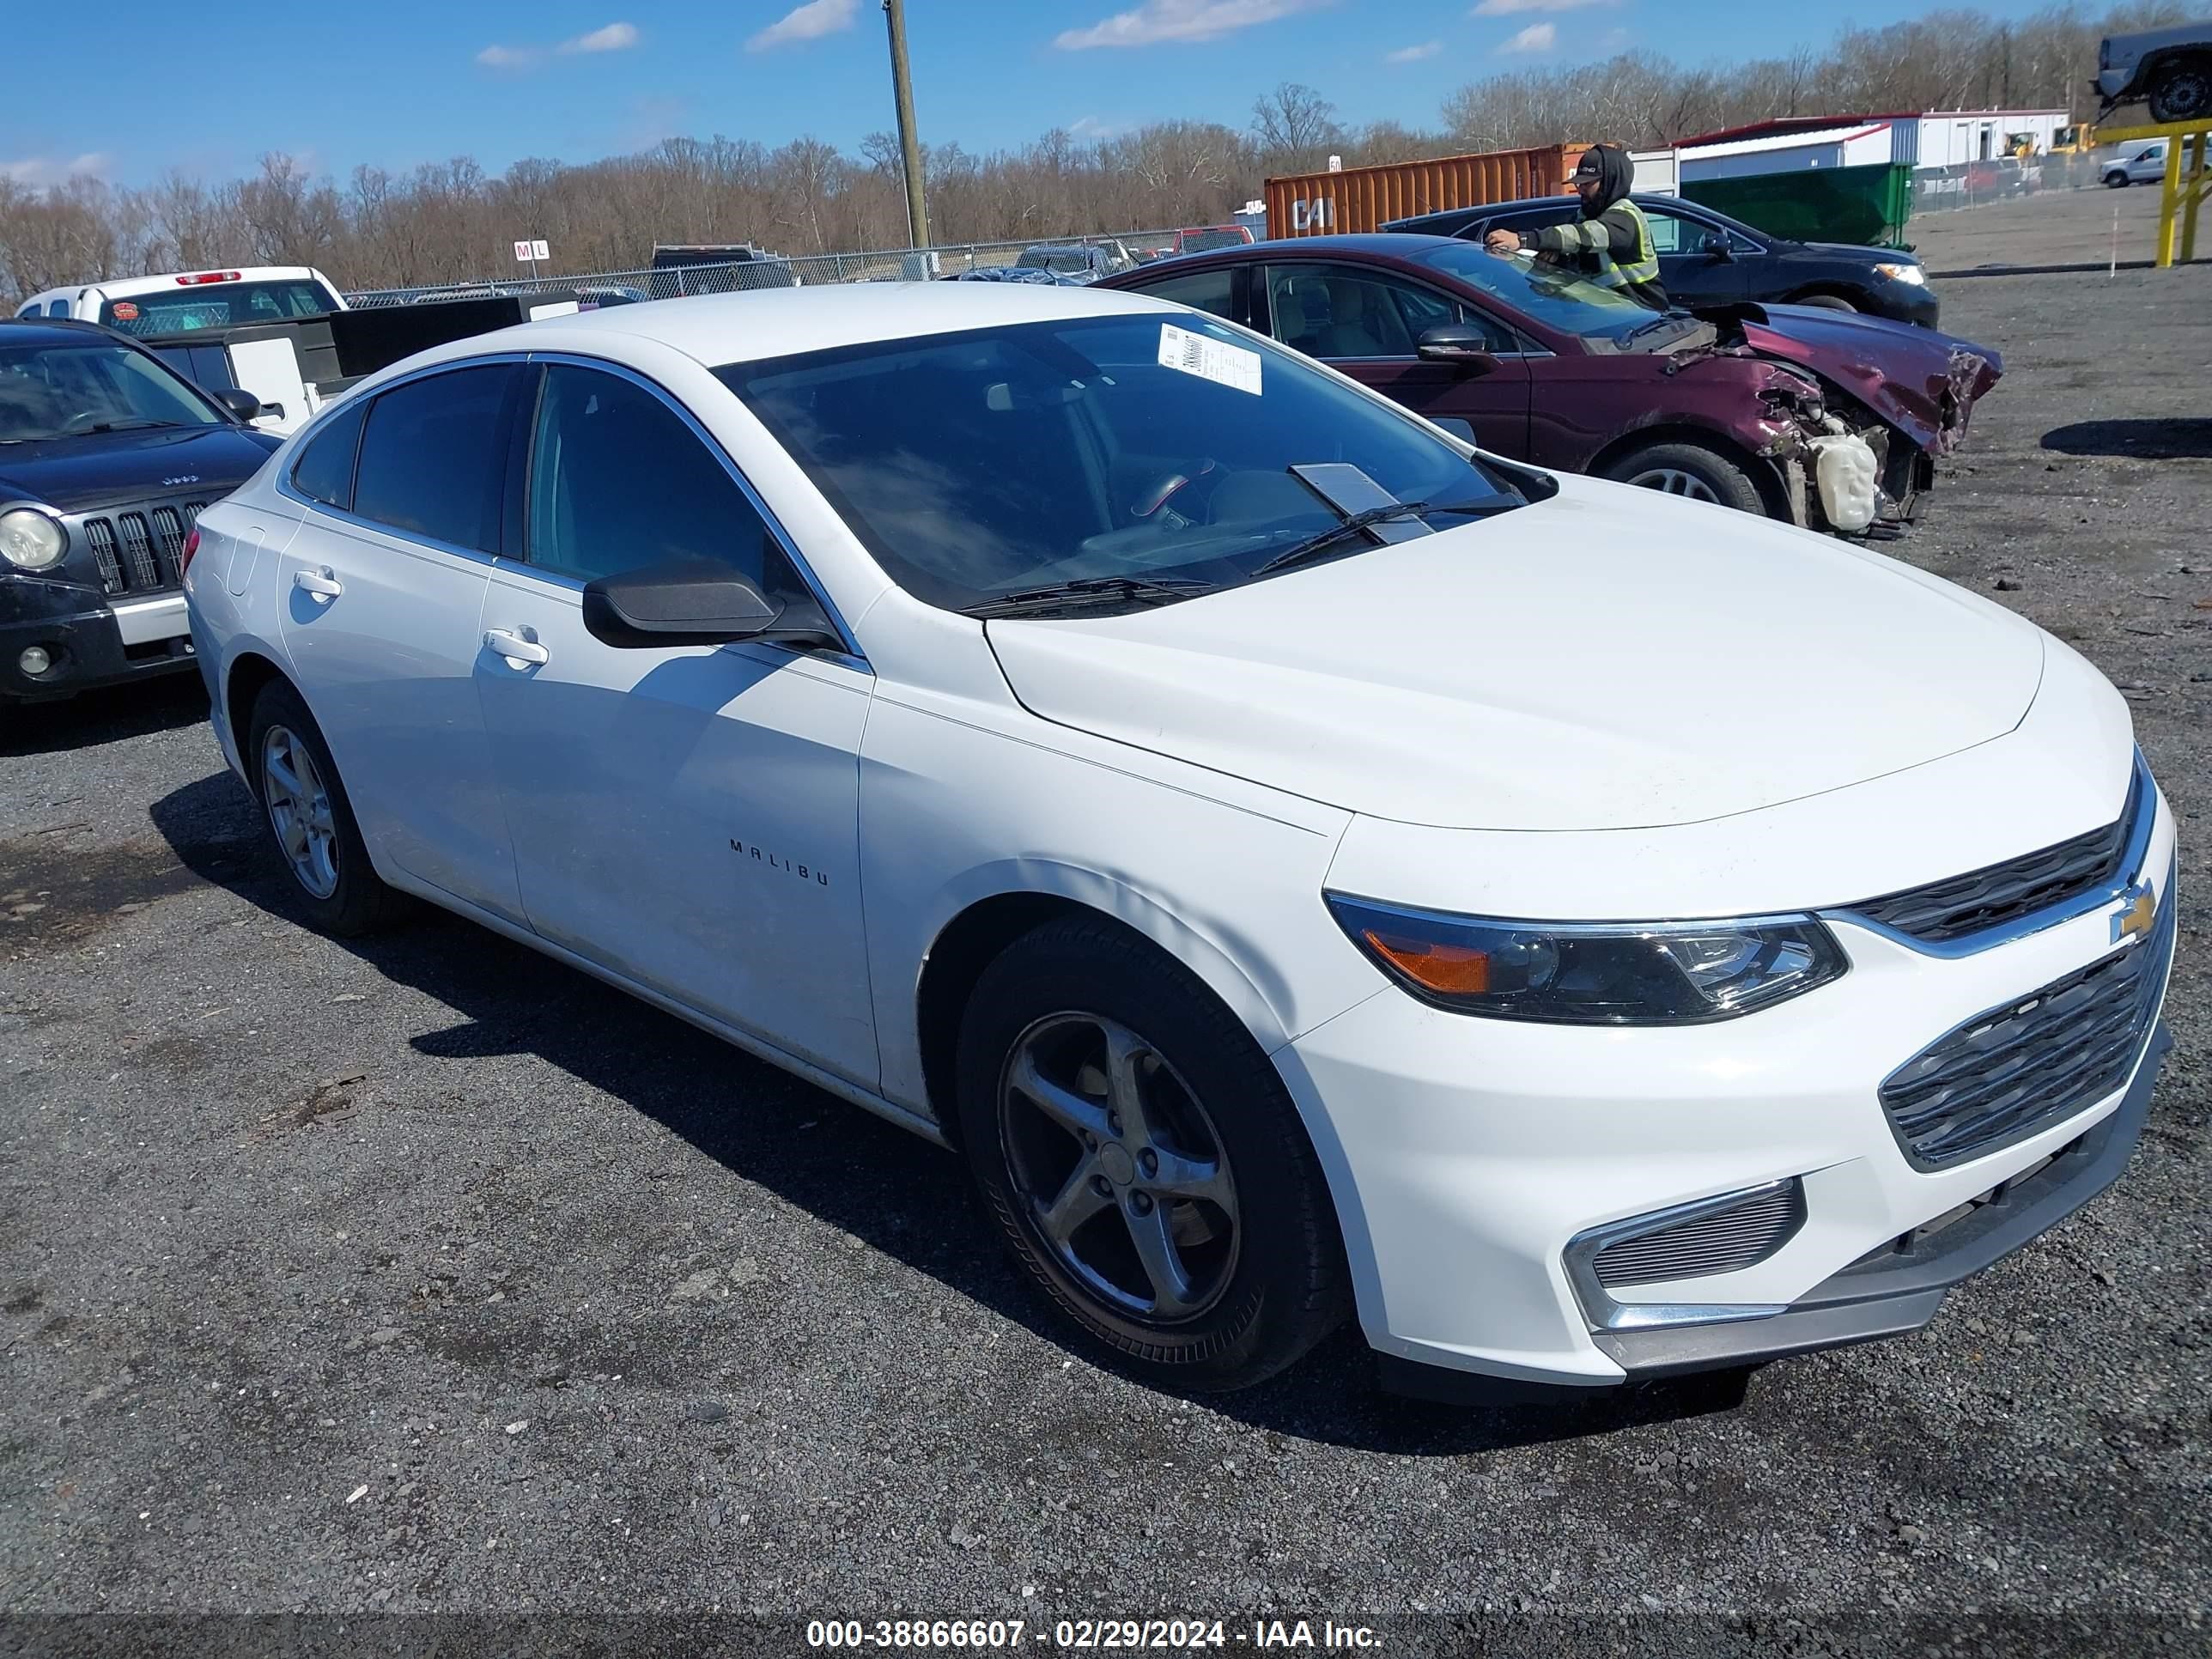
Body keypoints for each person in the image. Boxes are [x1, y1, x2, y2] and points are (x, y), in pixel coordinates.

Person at [1483, 143, 1668, 311]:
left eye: (1587, 183)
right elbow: (1578, 273)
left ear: (1610, 181)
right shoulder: (1585, 216)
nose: (1580, 190)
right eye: (1579, 183)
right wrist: (1555, 262)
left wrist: (1524, 240)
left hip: (1645, 319)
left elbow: (1587, 237)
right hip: (1611, 320)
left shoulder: (1625, 217)